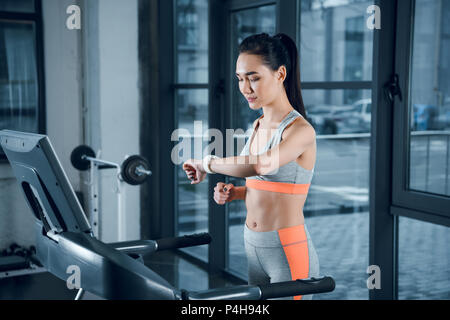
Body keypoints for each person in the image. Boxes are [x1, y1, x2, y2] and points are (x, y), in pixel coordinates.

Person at [182, 33, 319, 300]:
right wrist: (236, 193)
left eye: (254, 77)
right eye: (240, 79)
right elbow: (270, 186)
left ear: (280, 74)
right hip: (253, 247)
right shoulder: (257, 126)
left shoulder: (301, 130)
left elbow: (260, 165)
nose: (245, 88)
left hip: (286, 250)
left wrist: (205, 163)